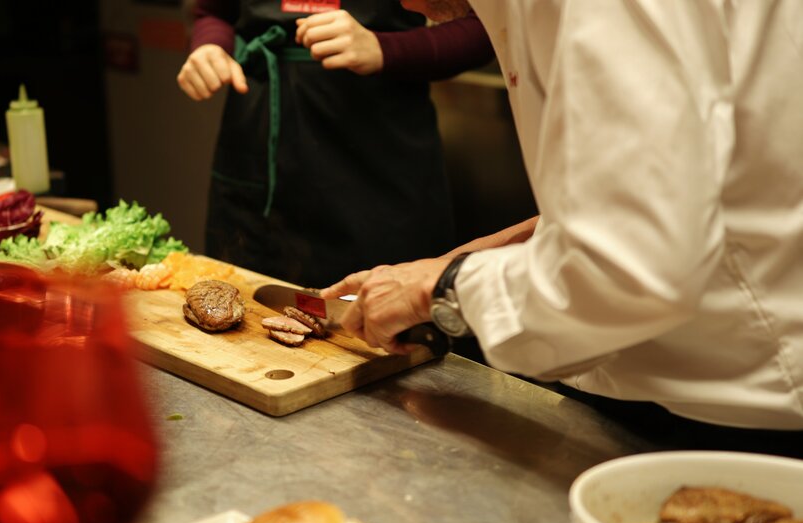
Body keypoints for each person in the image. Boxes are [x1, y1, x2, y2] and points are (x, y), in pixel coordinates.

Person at [321, 0, 803, 430]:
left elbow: (634, 268)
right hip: (679, 371)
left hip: (737, 400)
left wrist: (442, 287)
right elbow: (642, 193)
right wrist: (459, 260)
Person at [176, 0, 493, 287]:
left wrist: (384, 48)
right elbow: (213, 12)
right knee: (241, 313)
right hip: (258, 145)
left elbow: (488, 29)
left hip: (377, 157)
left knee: (389, 318)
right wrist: (210, 46)